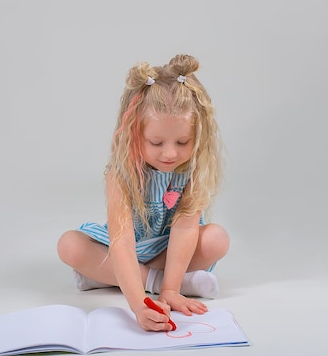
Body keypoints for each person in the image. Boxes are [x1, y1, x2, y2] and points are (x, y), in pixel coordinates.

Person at [57, 54, 230, 332]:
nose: (171, 153)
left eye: (183, 142)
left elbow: (185, 231)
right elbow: (122, 242)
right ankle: (150, 280)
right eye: (156, 142)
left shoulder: (192, 170)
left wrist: (171, 291)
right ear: (134, 133)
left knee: (216, 240)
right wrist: (140, 304)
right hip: (125, 248)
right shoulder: (121, 174)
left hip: (171, 251)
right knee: (69, 244)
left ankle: (110, 277)